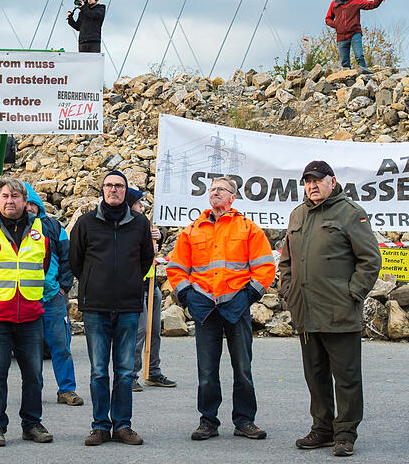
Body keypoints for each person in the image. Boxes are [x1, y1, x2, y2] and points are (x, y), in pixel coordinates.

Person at [278, 161, 381, 458]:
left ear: (332, 182)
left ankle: (345, 433)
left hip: (340, 312)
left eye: (317, 181)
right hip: (306, 312)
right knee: (316, 375)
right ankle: (322, 428)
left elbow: (370, 260)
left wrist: (353, 294)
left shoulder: (350, 213)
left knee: (347, 377)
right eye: (307, 182)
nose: (312, 186)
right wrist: (288, 292)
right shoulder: (297, 215)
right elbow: (286, 262)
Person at [166, 176, 275, 442]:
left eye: (220, 189)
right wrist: (188, 296)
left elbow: (265, 267)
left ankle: (245, 420)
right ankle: (208, 421)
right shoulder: (193, 230)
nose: (214, 192)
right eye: (212, 189)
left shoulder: (248, 229)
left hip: (236, 306)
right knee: (206, 370)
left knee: (243, 368)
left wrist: (248, 295)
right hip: (205, 308)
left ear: (232, 197)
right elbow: (176, 268)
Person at [69, 171, 154, 446]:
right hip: (96, 308)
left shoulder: (140, 223)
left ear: (125, 192)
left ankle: (123, 426)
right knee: (98, 370)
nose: (113, 190)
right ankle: (100, 426)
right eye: (109, 185)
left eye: (119, 186)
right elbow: (76, 261)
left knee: (126, 370)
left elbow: (146, 260)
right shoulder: (86, 223)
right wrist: (96, 282)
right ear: (102, 190)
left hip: (129, 307)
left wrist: (128, 283)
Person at [0, 177, 53, 447]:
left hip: (30, 314)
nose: (10, 201)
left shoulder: (41, 231)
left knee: (34, 374)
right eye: (5, 196)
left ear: (25, 202)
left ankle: (32, 423)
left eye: (15, 196)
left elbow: (47, 262)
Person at [24, 183, 84, 407]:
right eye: (26, 203)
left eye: (32, 203)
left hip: (52, 296)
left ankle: (66, 390)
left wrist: (63, 287)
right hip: (27, 298)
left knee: (61, 345)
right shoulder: (15, 228)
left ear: (37, 205)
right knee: (31, 350)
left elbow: (68, 257)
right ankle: (33, 391)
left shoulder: (52, 226)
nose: (29, 207)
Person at [126, 188, 176, 391]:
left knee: (154, 329)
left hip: (151, 282)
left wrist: (157, 238)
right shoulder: (125, 225)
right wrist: (148, 247)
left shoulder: (143, 224)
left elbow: (151, 252)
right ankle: (130, 374)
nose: (142, 207)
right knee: (140, 330)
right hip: (136, 285)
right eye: (139, 203)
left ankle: (153, 370)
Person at [325, 0, 385, 72]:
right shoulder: (334, 3)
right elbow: (328, 19)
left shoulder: (356, 1)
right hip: (341, 36)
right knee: (344, 62)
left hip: (355, 34)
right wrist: (337, 25)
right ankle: (348, 80)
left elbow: (371, 4)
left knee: (359, 57)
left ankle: (365, 75)